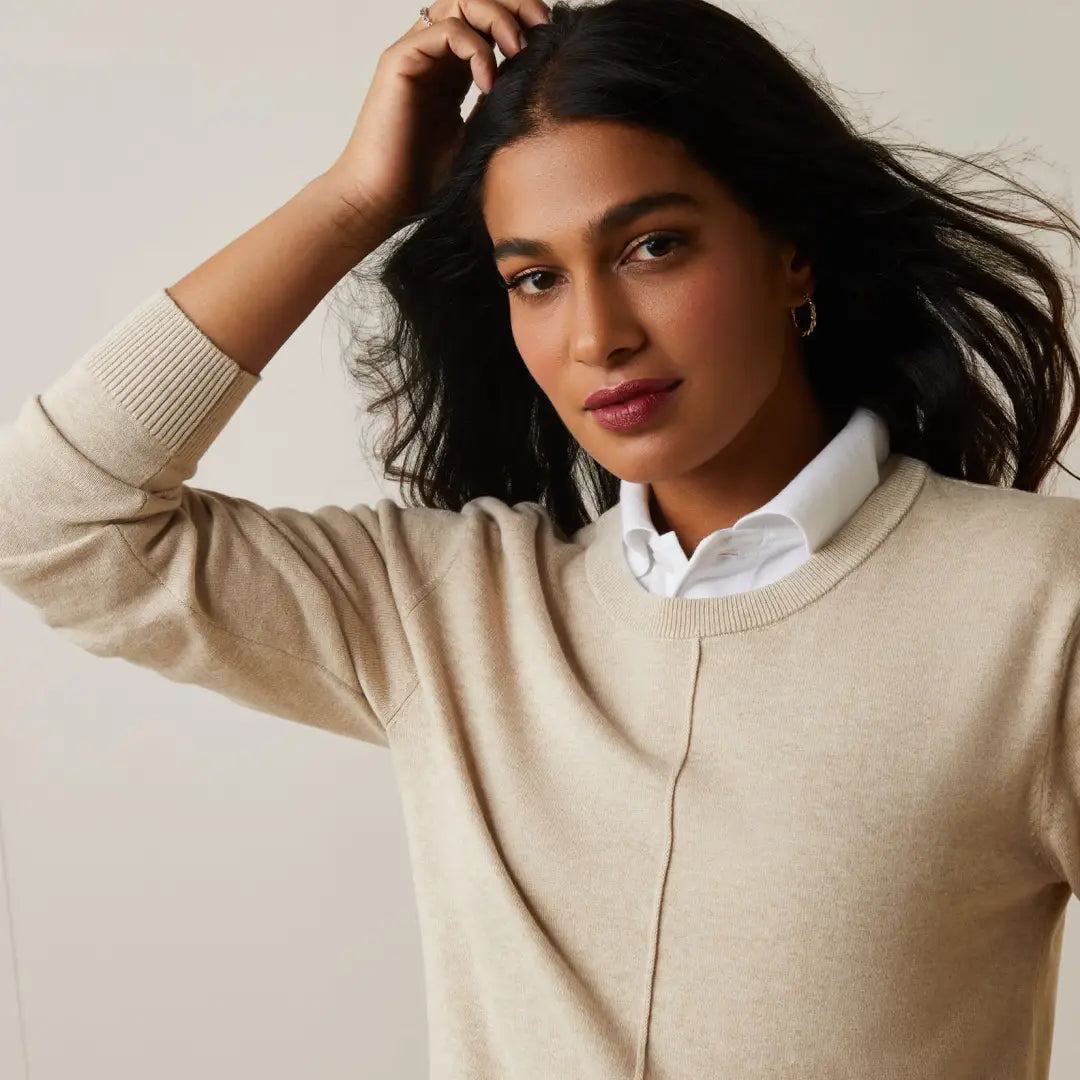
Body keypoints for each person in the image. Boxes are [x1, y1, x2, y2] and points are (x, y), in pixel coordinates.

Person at [2, 0, 1080, 1076]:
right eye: (537, 279)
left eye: (655, 246)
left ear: (791, 251)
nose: (597, 335)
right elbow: (49, 516)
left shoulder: (1040, 608)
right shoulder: (451, 614)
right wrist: (354, 199)